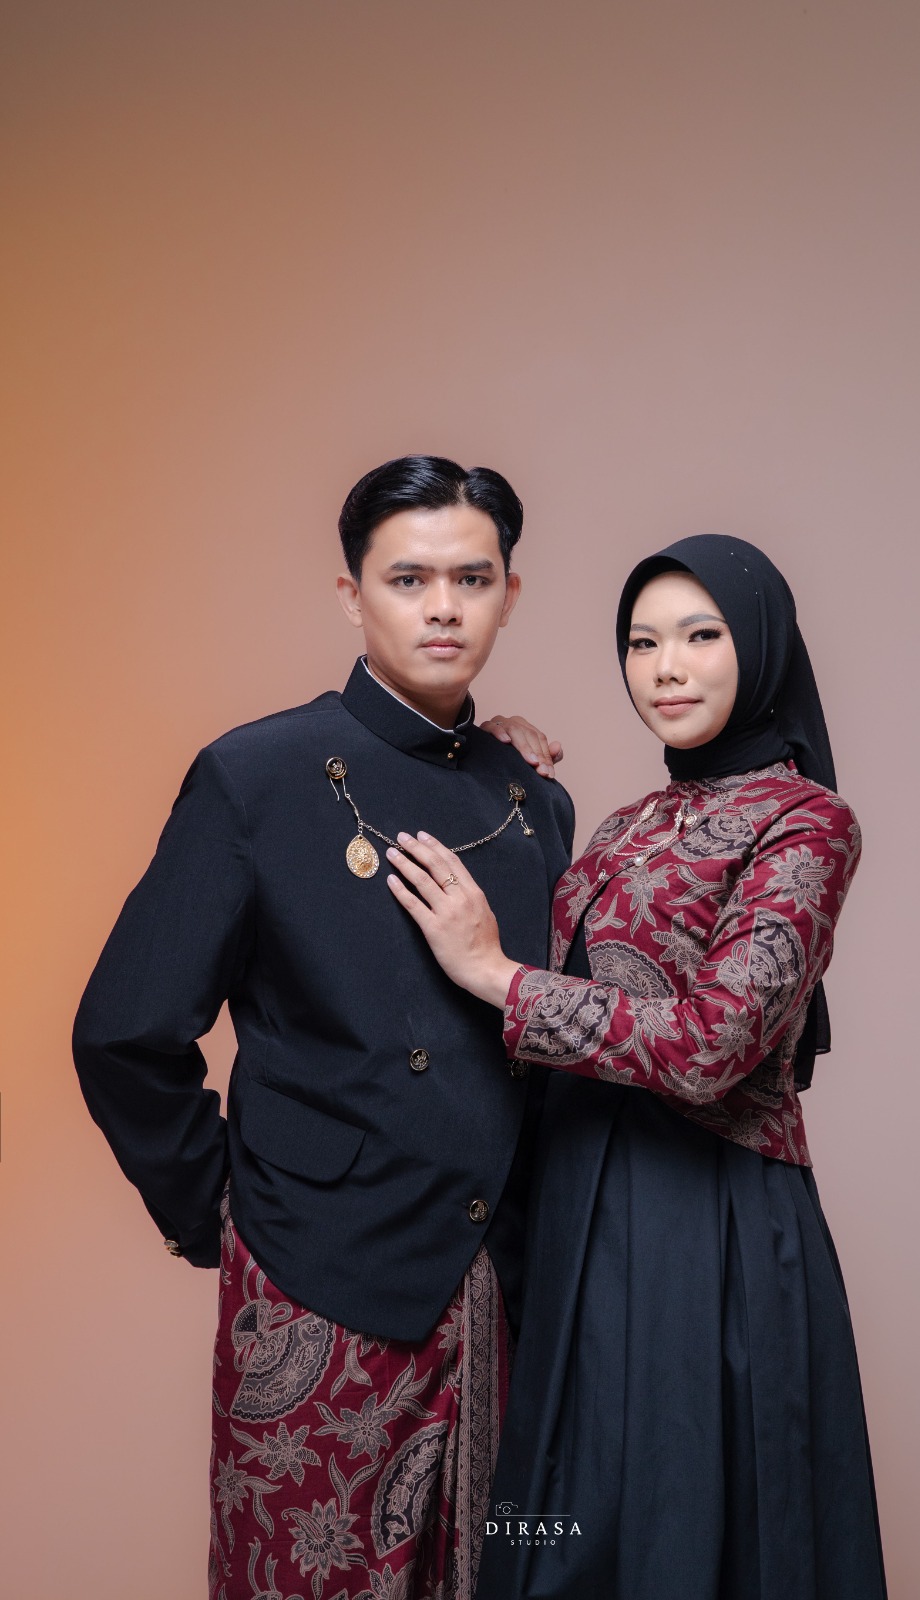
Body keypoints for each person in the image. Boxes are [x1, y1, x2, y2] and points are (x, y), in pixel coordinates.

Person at [72, 455, 575, 1600]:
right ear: (351, 595)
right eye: (407, 579)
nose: (443, 607)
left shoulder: (534, 800)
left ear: (509, 595)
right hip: (319, 1283)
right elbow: (123, 1031)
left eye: (471, 579)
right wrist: (225, 1215)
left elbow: (544, 1047)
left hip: (502, 1294)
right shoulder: (254, 776)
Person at [384, 534, 888, 1599]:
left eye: (700, 636)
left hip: (704, 1226)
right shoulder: (621, 825)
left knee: (682, 1526)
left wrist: (497, 976)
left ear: (760, 647)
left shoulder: (808, 823)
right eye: (642, 642)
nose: (666, 668)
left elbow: (712, 1043)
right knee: (563, 1528)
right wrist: (491, 762)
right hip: (575, 1209)